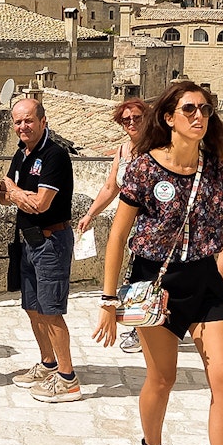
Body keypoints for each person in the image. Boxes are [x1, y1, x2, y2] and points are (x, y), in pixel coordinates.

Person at [94, 82, 223, 445]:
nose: (199, 116)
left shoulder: (217, 169)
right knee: (162, 378)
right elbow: (118, 237)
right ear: (169, 118)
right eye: (189, 109)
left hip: (205, 279)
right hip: (155, 283)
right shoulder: (144, 168)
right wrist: (108, 301)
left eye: (205, 109)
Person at [0, 98, 80, 403]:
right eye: (18, 122)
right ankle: (48, 364)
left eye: (28, 120)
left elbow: (41, 204)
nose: (23, 127)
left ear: (43, 121)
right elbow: (1, 196)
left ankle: (68, 379)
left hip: (51, 242)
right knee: (33, 308)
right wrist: (18, 194)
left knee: (51, 311)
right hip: (29, 241)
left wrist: (15, 191)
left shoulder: (54, 155)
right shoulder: (22, 154)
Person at [76, 98, 149, 354]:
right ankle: (144, 325)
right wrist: (90, 214)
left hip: (152, 225)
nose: (131, 122)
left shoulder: (157, 149)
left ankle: (144, 328)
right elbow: (110, 187)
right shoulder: (122, 151)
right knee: (136, 275)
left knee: (142, 276)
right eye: (126, 119)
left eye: (137, 117)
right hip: (130, 225)